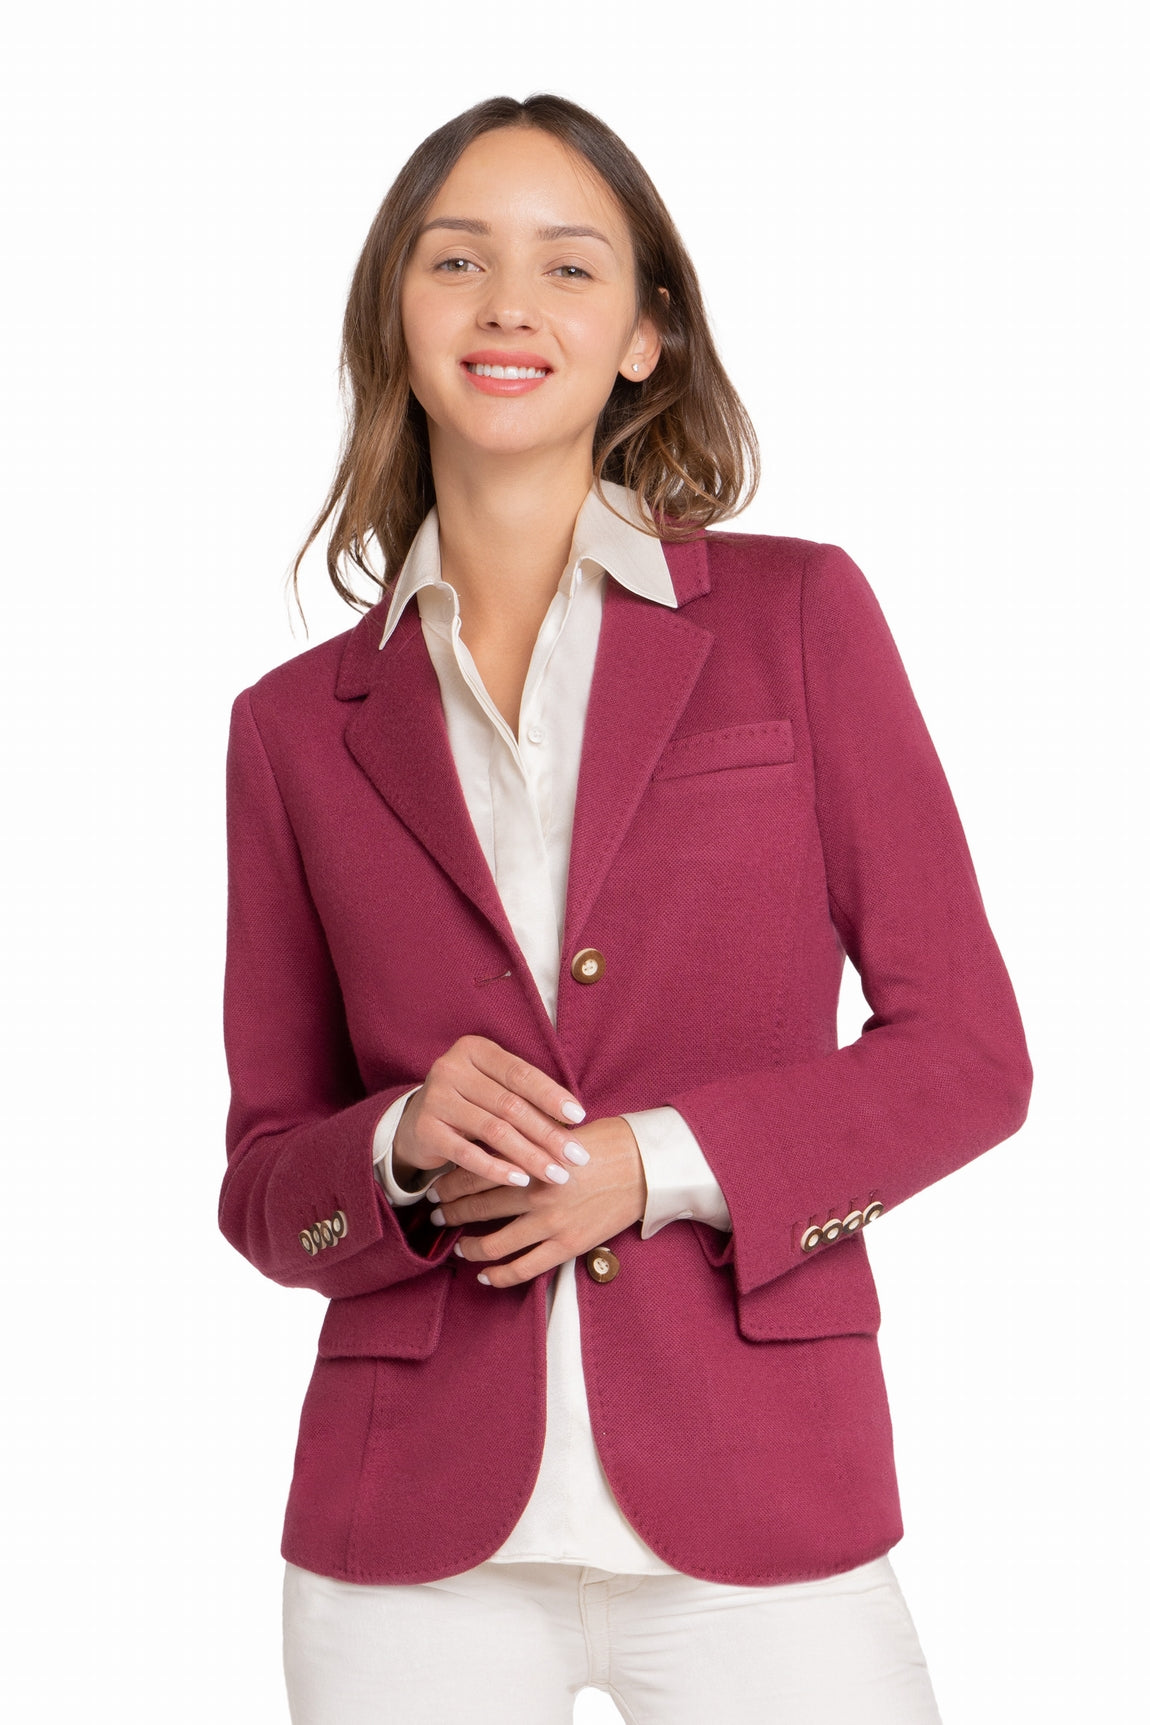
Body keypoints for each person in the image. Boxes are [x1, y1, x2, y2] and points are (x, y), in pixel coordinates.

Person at [220, 92, 1032, 1725]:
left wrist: (649, 1164)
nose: (508, 304)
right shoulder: (294, 726)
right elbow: (263, 1185)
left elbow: (967, 1057)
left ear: (646, 334)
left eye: (569, 266)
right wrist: (397, 1144)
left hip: (763, 1497)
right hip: (407, 1541)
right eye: (457, 260)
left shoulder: (798, 617)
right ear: (396, 316)